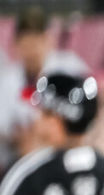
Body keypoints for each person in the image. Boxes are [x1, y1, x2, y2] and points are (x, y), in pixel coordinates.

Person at [0, 9, 89, 170]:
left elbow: (88, 110)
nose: (32, 50)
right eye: (26, 43)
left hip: (67, 150)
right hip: (18, 156)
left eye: (37, 42)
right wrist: (20, 136)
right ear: (16, 45)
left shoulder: (69, 67)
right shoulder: (7, 79)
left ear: (48, 40)